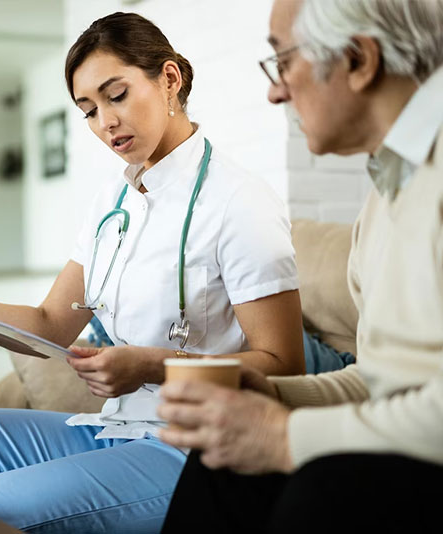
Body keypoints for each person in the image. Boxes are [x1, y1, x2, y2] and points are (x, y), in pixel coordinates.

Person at [0, 12, 304, 533]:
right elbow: (50, 324)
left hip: (193, 447)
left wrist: (155, 365)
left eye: (117, 95)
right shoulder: (112, 203)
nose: (105, 122)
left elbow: (284, 365)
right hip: (114, 428)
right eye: (89, 110)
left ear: (169, 79)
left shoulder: (239, 201)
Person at [158, 0, 443, 532]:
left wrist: (284, 437)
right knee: (225, 459)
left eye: (283, 62)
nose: (275, 92)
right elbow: (382, 384)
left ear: (358, 59)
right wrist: (274, 395)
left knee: (325, 490)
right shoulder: (384, 197)